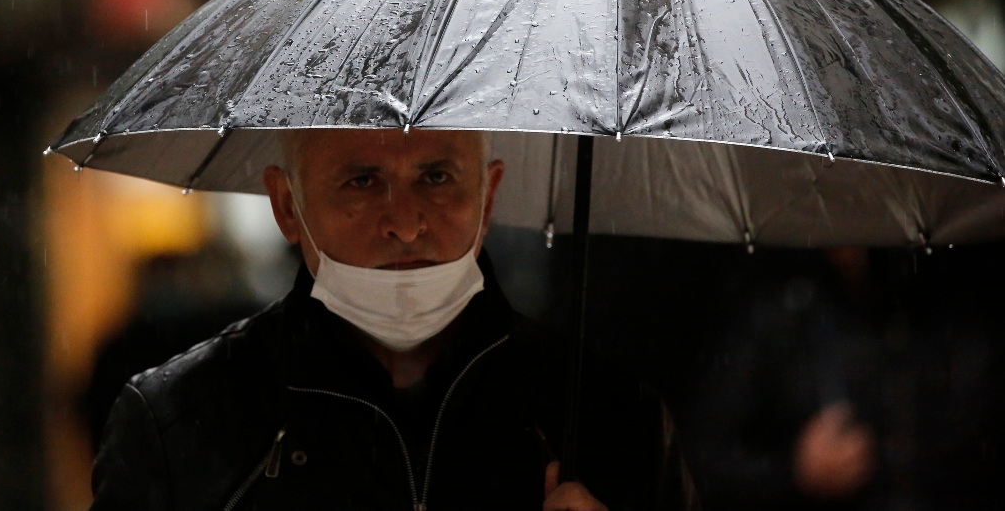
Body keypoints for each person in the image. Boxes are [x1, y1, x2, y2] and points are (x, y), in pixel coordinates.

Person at [90, 128, 699, 511]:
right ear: (287, 206)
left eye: (436, 177)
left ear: (488, 197)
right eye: (362, 181)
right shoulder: (180, 423)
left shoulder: (611, 418)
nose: (405, 224)